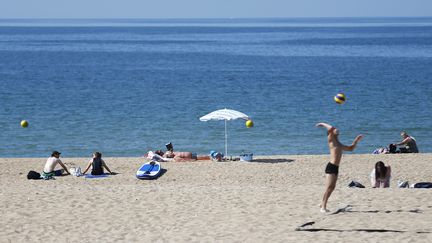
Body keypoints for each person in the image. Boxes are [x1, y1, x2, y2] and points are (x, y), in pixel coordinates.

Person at [316, 122, 363, 213]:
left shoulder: (339, 144)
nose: (336, 129)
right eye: (334, 130)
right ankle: (323, 207)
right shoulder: (331, 140)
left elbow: (351, 148)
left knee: (332, 187)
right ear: (331, 133)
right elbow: (330, 128)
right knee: (329, 187)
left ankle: (322, 203)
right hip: (330, 167)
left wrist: (356, 140)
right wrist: (322, 124)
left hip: (336, 168)